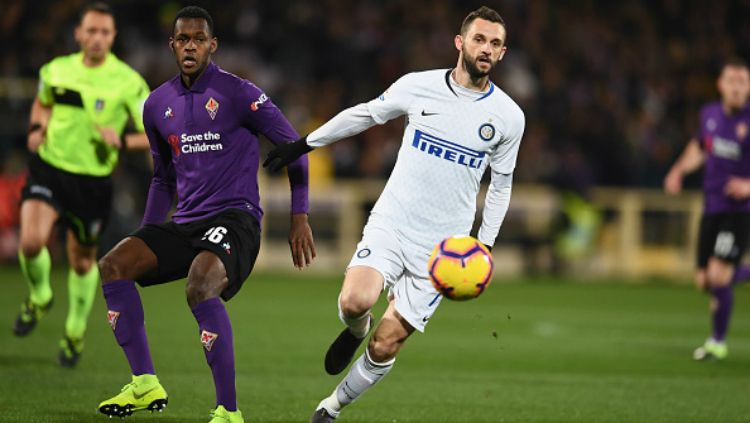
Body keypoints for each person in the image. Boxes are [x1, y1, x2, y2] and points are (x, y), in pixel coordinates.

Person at [265, 6, 524, 422]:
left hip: (444, 250)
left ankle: (329, 409)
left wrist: (485, 246)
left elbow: (502, 185)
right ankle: (355, 328)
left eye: (495, 44)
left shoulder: (509, 117)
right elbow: (365, 114)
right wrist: (305, 144)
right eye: (479, 39)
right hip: (394, 223)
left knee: (386, 346)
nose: (486, 49)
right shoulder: (418, 86)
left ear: (503, 53)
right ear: (460, 43)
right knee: (354, 301)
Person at [95, 6, 315, 423]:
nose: (190, 45)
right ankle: (144, 383)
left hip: (237, 218)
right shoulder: (157, 104)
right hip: (185, 223)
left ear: (213, 46)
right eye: (183, 39)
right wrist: (148, 234)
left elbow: (296, 148)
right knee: (114, 264)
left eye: (199, 38)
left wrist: (298, 215)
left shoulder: (241, 94)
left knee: (200, 282)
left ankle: (228, 412)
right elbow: (163, 178)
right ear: (172, 46)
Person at [14, 2, 150, 368]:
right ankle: (40, 296)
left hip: (92, 181)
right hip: (50, 168)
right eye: (90, 31)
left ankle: (74, 329)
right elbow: (42, 105)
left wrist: (120, 140)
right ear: (78, 34)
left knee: (81, 260)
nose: (96, 38)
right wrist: (36, 129)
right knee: (30, 242)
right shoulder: (55, 71)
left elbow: (154, 134)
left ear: (113, 37)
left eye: (104, 32)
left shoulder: (128, 81)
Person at [664, 59, 750, 361]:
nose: (737, 87)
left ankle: (717, 342)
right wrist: (677, 171)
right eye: (732, 81)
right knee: (703, 281)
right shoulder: (710, 115)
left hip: (738, 212)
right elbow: (700, 147)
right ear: (721, 85)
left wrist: (748, 185)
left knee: (717, 275)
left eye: (743, 82)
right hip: (711, 207)